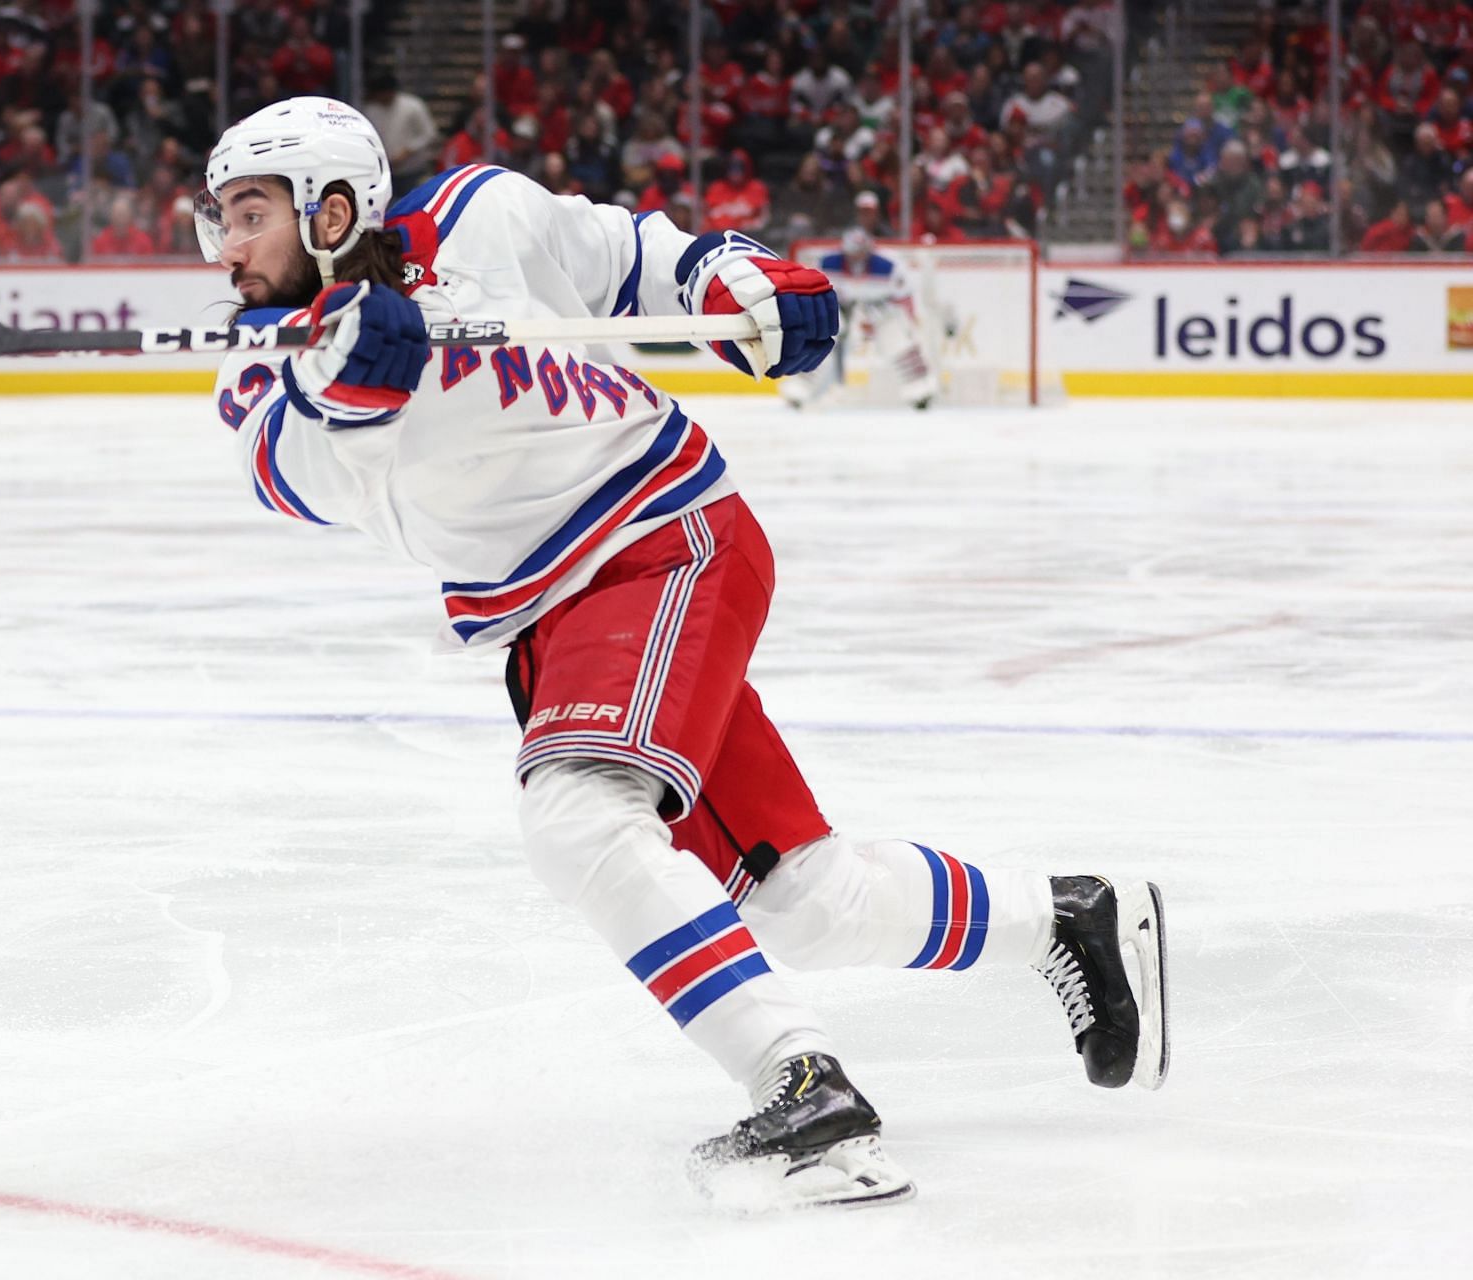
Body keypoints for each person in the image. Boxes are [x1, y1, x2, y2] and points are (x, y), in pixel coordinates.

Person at [196, 96, 1169, 1211]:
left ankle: (805, 1088)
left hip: (661, 543)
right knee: (808, 899)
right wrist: (344, 379)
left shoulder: (482, 216)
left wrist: (744, 287)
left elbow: (638, 260)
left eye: (251, 213)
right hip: (552, 624)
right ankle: (1070, 914)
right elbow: (300, 471)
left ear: (332, 208)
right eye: (219, 218)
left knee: (579, 817)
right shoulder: (258, 374)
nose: (227, 247)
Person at [781, 227, 939, 412]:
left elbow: (904, 297)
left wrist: (910, 321)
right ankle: (799, 388)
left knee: (897, 340)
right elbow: (810, 293)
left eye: (862, 253)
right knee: (821, 337)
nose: (857, 258)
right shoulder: (827, 264)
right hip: (841, 309)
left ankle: (920, 390)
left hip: (880, 311)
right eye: (853, 253)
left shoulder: (888, 267)